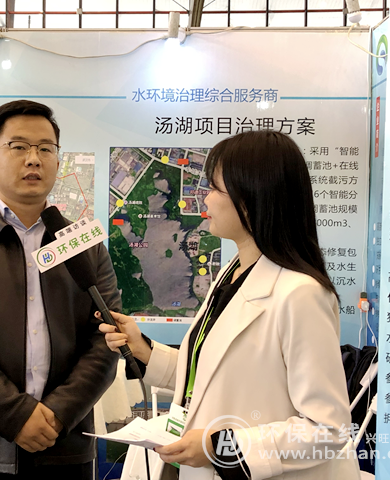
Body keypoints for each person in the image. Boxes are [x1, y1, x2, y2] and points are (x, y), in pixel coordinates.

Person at [99, 131, 361, 480]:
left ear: (252, 197)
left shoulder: (300, 294)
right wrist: (143, 350)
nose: (204, 198)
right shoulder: (231, 273)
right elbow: (212, 376)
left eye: (213, 188)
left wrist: (221, 446)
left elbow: (327, 430)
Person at [0, 100, 121, 480]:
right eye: (18, 147)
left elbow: (106, 338)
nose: (34, 159)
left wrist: (58, 414)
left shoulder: (85, 244)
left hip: (64, 444)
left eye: (46, 149)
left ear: (58, 162)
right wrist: (16, 416)